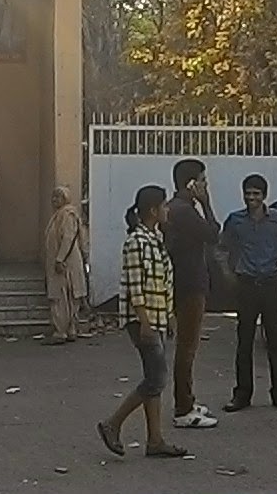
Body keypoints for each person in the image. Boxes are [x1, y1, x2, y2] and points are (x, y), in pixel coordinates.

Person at [96, 185, 187, 459]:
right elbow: (136, 287)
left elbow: (164, 283)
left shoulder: (155, 239)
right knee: (156, 378)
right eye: (164, 206)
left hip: (156, 317)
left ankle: (155, 439)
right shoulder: (137, 242)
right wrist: (145, 321)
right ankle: (113, 424)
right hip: (143, 320)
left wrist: (168, 314)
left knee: (154, 378)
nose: (167, 210)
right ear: (153, 210)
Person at [219, 174, 277, 413]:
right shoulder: (235, 221)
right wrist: (229, 275)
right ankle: (242, 394)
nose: (251, 198)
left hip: (271, 284)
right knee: (244, 342)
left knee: (275, 342)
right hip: (246, 284)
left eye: (256, 194)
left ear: (264, 196)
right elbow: (221, 248)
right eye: (247, 193)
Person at [162, 158, 220, 430]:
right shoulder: (184, 211)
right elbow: (213, 233)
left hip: (185, 283)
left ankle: (187, 399)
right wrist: (207, 203)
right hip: (189, 286)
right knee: (187, 347)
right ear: (192, 183)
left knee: (187, 347)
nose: (206, 186)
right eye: (203, 181)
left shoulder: (177, 209)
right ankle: (183, 407)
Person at [43, 185, 88, 345]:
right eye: (53, 197)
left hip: (65, 261)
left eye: (58, 197)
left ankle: (62, 331)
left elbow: (68, 237)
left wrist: (60, 259)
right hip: (64, 260)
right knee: (66, 295)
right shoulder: (58, 215)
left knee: (63, 296)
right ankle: (69, 329)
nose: (55, 200)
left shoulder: (67, 215)